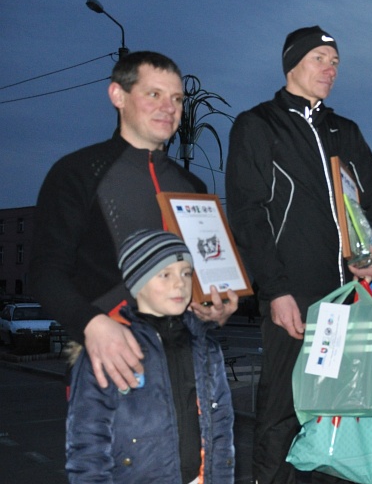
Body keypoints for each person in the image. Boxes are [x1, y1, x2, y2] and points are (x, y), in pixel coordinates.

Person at [225, 26, 372, 484]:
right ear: (292, 63)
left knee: (340, 410)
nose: (330, 68)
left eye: (336, 61)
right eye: (320, 58)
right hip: (294, 300)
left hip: (345, 297)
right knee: (281, 412)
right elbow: (247, 212)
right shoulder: (258, 125)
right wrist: (274, 289)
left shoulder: (344, 130)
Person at [30, 51, 238, 394]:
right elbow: (45, 272)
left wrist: (214, 306)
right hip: (111, 364)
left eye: (176, 99)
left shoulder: (193, 188)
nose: (169, 108)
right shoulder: (77, 173)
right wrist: (91, 325)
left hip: (185, 366)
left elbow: (200, 280)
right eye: (154, 94)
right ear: (118, 95)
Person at [65, 230, 235, 484]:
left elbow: (220, 422)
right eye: (165, 274)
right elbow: (87, 435)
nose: (180, 284)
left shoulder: (204, 345)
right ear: (137, 281)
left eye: (186, 273)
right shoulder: (113, 345)